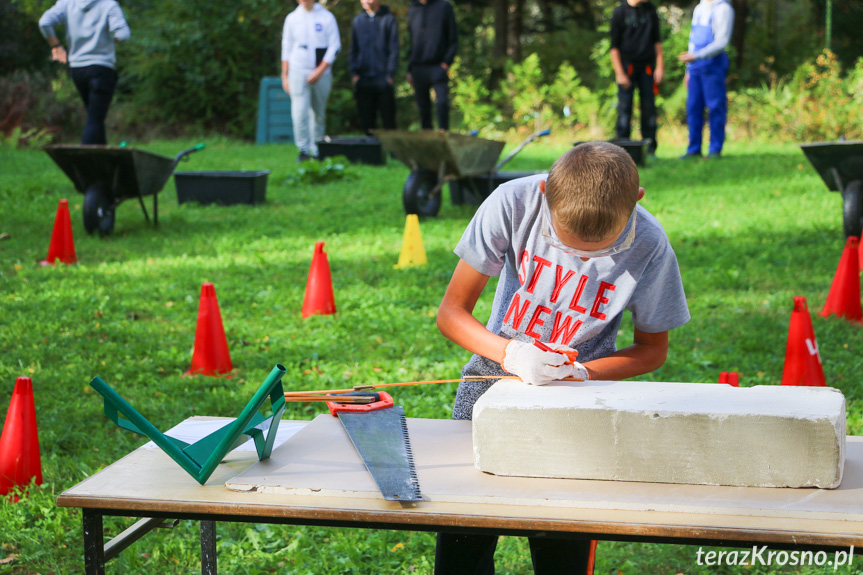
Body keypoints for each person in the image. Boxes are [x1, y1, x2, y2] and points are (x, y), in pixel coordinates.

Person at [435, 142, 690, 574]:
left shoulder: (651, 246)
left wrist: (583, 372)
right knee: (465, 531)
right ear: (544, 191)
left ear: (637, 201)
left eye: (600, 250)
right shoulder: (513, 204)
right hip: (489, 382)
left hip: (579, 402)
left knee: (562, 543)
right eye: (566, 243)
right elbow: (451, 313)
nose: (582, 258)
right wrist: (511, 353)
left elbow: (652, 350)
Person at [38, 0, 130, 145]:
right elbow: (123, 35)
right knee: (95, 119)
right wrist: (116, 37)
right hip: (101, 69)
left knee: (95, 117)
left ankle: (102, 164)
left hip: (78, 70)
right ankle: (83, 162)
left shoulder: (67, 3)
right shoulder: (109, 5)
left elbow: (44, 23)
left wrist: (56, 45)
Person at [282, 0, 341, 162]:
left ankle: (317, 148)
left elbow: (335, 45)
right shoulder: (292, 18)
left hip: (322, 73)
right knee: (300, 112)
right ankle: (303, 149)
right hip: (298, 71)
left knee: (318, 113)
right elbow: (286, 47)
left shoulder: (327, 17)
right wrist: (285, 75)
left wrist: (320, 70)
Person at [677, 0, 734, 159]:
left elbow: (722, 42)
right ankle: (693, 149)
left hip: (713, 66)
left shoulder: (723, 8)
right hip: (694, 67)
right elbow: (692, 40)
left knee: (715, 107)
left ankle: (715, 150)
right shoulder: (699, 8)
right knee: (693, 108)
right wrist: (688, 70)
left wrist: (696, 56)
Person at [610, 0, 664, 155]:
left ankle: (650, 150)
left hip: (647, 66)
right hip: (627, 67)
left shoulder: (650, 10)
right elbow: (614, 47)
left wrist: (660, 66)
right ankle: (621, 151)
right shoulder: (620, 12)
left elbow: (657, 41)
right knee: (625, 109)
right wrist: (619, 73)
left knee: (649, 108)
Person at [349, 0, 399, 135]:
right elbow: (354, 48)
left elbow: (394, 49)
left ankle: (393, 151)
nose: (366, 1)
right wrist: (354, 72)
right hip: (363, 78)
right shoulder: (358, 21)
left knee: (388, 118)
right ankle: (370, 151)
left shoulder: (388, 19)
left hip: (383, 78)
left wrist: (390, 74)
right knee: (366, 119)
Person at [407, 0, 457, 131]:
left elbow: (453, 39)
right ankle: (428, 141)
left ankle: (443, 137)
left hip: (438, 66)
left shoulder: (444, 7)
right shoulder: (413, 9)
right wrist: (410, 69)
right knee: (423, 109)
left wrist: (446, 63)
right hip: (418, 67)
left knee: (442, 103)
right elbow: (412, 41)